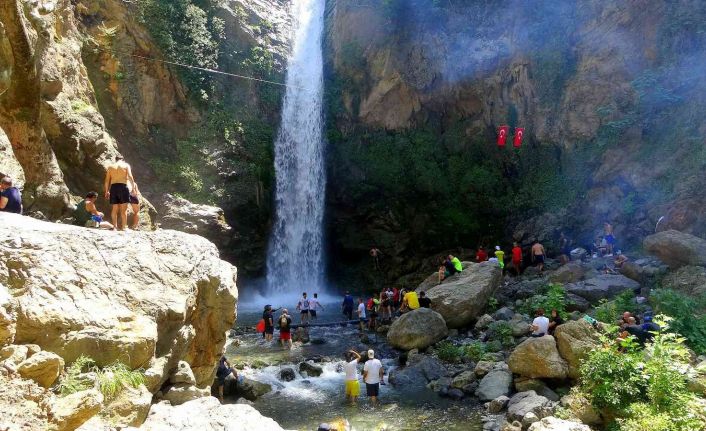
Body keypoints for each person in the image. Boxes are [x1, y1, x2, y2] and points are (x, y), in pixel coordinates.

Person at [104, 155, 137, 230]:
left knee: (114, 208)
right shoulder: (126, 165)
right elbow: (130, 176)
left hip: (114, 187)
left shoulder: (110, 167)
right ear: (123, 160)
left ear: (115, 160)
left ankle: (115, 227)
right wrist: (133, 189)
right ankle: (124, 227)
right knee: (123, 210)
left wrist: (106, 191)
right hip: (123, 187)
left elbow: (106, 180)